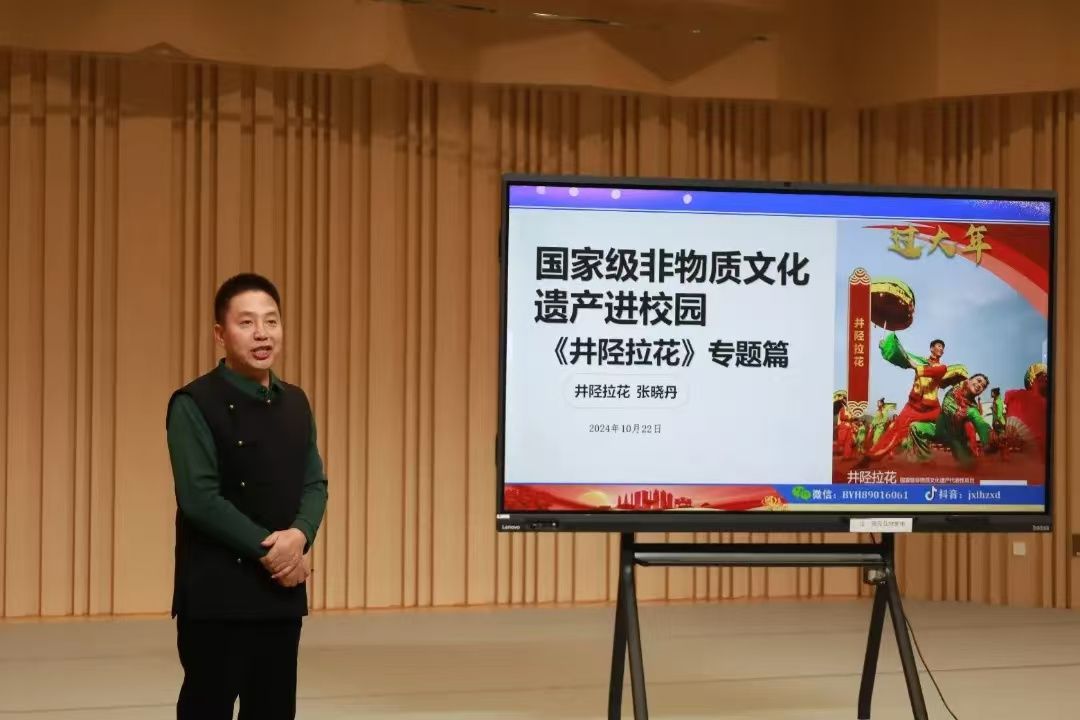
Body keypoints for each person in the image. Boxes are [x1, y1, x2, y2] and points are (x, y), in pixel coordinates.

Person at [166, 273, 328, 720]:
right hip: (216, 598)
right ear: (220, 334)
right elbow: (200, 499)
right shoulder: (193, 403)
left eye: (271, 321)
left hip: (280, 597)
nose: (262, 333)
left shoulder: (296, 402)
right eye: (247, 322)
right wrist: (276, 553)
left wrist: (300, 535)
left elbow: (315, 483)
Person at [859, 334, 966, 463]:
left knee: (948, 430)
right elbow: (902, 355)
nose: (941, 349)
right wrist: (885, 347)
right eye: (939, 346)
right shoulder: (919, 360)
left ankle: (964, 456)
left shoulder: (942, 368)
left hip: (932, 409)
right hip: (913, 406)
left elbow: (931, 371)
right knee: (895, 430)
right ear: (932, 348)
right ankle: (872, 456)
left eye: (943, 348)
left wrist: (915, 366)